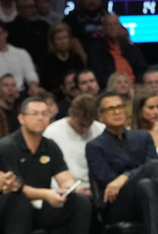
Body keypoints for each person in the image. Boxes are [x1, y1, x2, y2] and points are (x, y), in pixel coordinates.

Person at [85, 91, 158, 234]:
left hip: (147, 197)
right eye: (110, 109)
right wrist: (130, 176)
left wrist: (125, 176)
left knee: (146, 184)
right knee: (153, 168)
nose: (117, 112)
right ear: (101, 116)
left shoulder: (142, 137)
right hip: (116, 205)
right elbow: (108, 182)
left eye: (120, 107)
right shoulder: (95, 146)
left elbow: (153, 168)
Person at [0, 97, 92, 234]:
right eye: (34, 114)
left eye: (44, 114)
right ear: (21, 118)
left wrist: (68, 188)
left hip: (41, 205)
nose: (40, 118)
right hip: (13, 208)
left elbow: (64, 176)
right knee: (19, 200)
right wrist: (46, 194)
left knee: (80, 202)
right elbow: (14, 187)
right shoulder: (7, 146)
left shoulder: (50, 145)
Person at [42, 94, 104, 198]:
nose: (84, 129)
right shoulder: (52, 133)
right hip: (66, 191)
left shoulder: (101, 130)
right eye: (81, 125)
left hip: (98, 189)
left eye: (89, 125)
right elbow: (47, 172)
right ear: (71, 113)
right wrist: (70, 191)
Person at [90, 14, 147, 87]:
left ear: (121, 27)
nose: (112, 27)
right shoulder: (97, 50)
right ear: (104, 28)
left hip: (134, 87)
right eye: (109, 24)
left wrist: (138, 83)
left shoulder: (131, 48)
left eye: (115, 24)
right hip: (111, 88)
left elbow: (142, 69)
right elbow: (99, 75)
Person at [0, 21, 42, 96]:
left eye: (0, 34)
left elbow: (31, 76)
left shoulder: (21, 53)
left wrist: (33, 86)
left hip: (19, 94)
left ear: (6, 34)